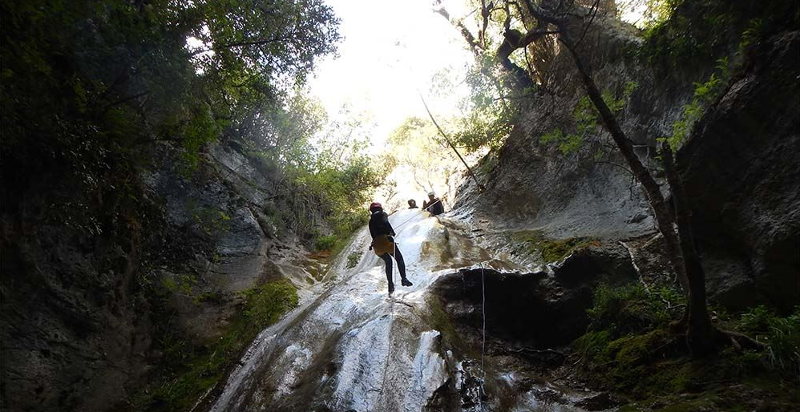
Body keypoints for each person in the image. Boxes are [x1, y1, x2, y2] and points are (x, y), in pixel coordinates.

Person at [368, 202, 412, 294]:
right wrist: (392, 232)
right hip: (387, 241)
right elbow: (388, 227)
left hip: (377, 246)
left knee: (388, 262)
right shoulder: (382, 215)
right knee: (399, 258)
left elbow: (373, 235)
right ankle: (404, 279)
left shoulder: (371, 221)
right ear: (380, 209)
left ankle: (390, 284)